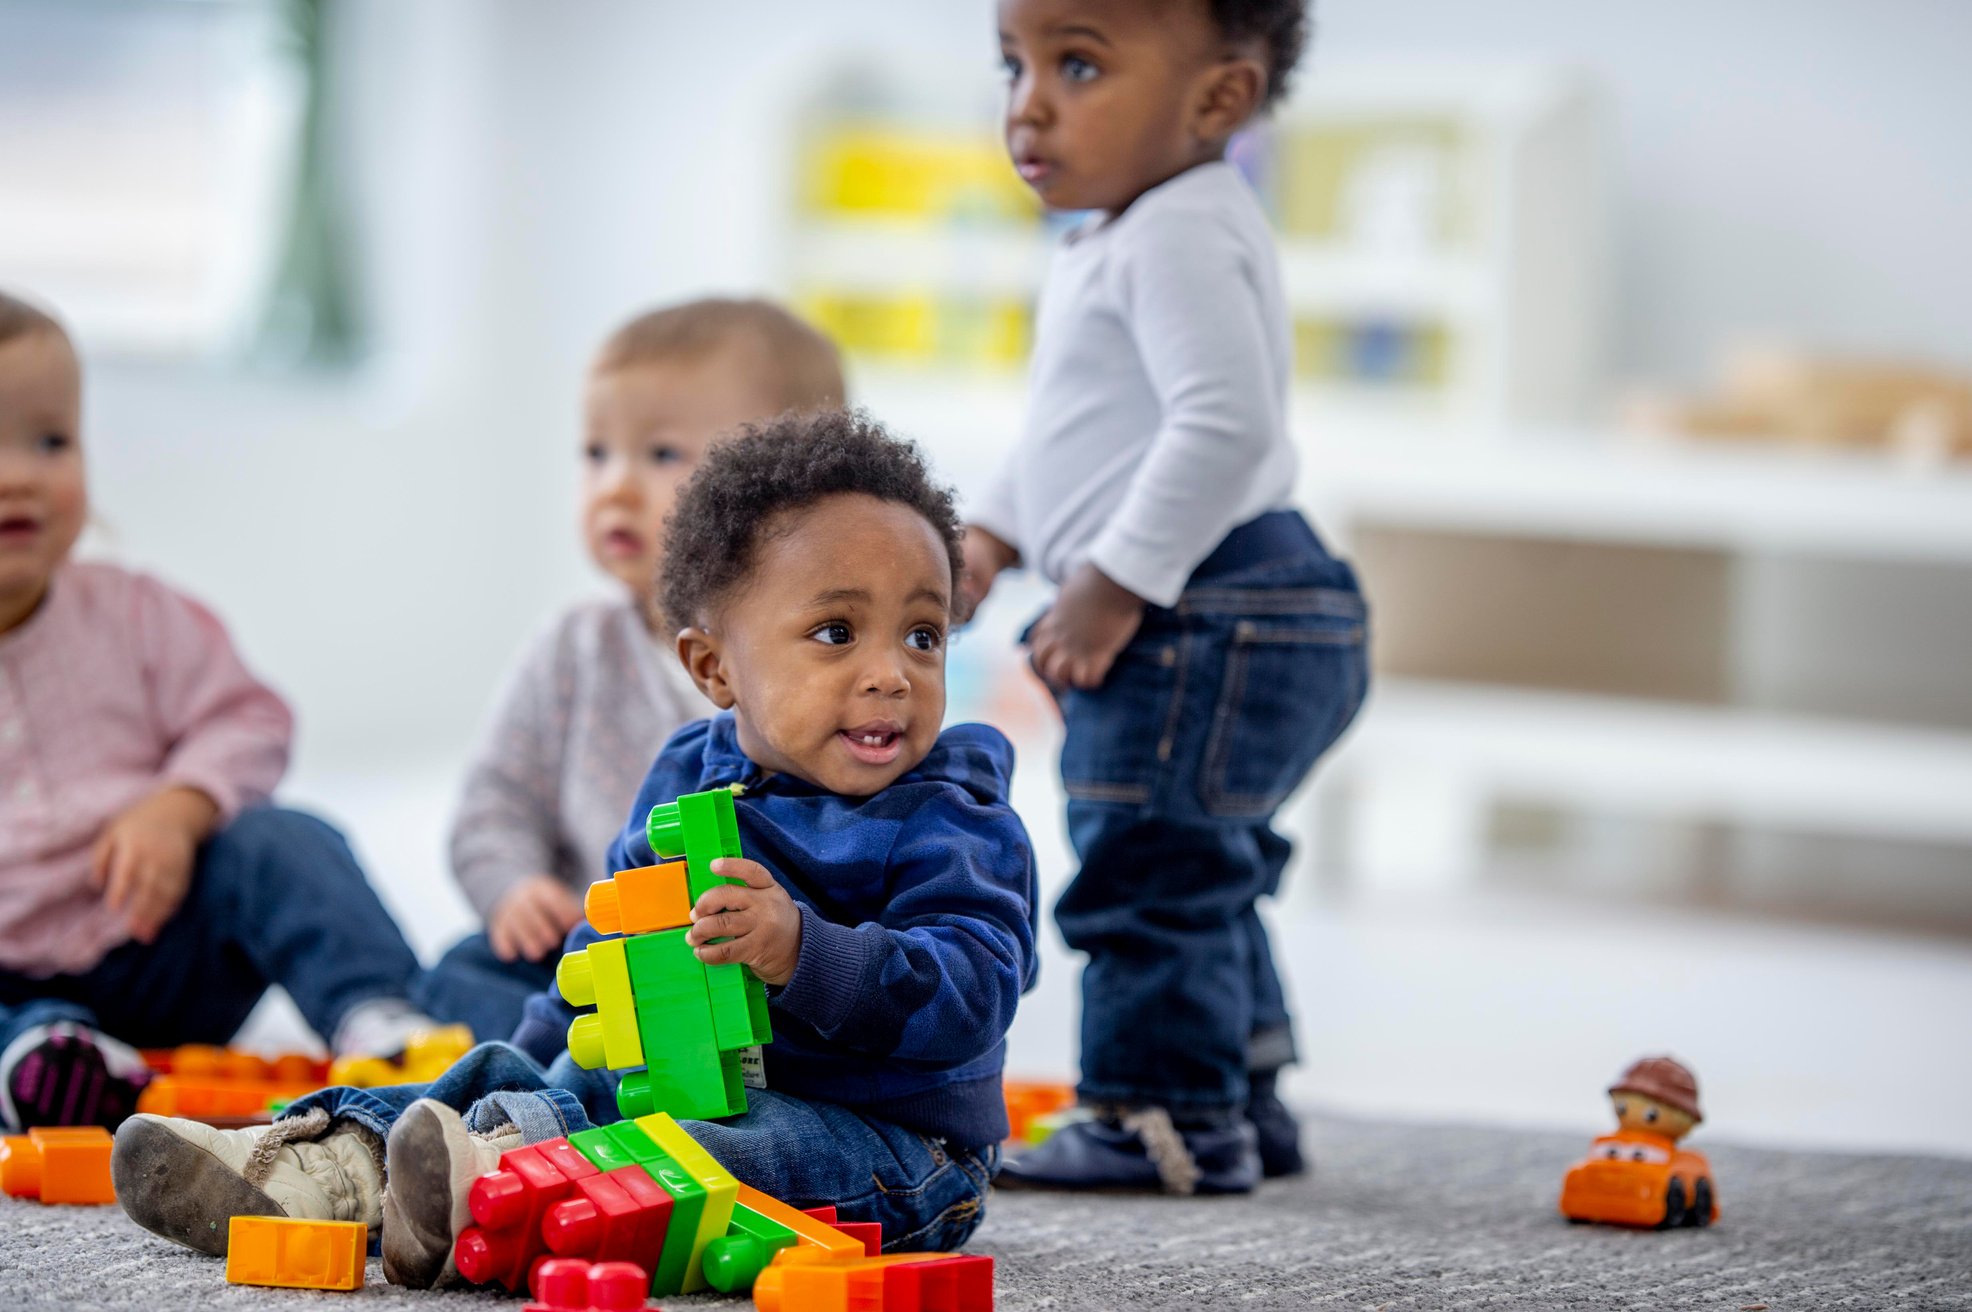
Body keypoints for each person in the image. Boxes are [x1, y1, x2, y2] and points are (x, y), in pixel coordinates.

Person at [112, 411, 1037, 1287]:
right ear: (715, 668)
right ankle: (330, 1160)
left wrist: (806, 950)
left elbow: (975, 992)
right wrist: (538, 1061)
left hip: (891, 1146)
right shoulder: (688, 777)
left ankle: (500, 1177)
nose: (891, 673)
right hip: (682, 1089)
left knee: (716, 1155)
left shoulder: (955, 816)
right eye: (836, 633)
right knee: (521, 1075)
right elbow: (606, 958)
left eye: (924, 635)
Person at [965, 0, 1369, 1193]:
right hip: (1249, 603)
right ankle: (1242, 1089)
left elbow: (1223, 423)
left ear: (1218, 100)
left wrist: (1111, 583)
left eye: (1077, 64)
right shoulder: (1125, 232)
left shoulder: (1173, 232)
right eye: (1014, 63)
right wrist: (993, 532)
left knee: (1146, 862)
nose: (1028, 102)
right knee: (1201, 857)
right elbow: (1073, 434)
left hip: (1209, 609)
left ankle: (1164, 1115)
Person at [0, 290, 438, 1131]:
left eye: (52, 440)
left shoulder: (133, 614)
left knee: (282, 840)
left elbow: (249, 720)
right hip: (14, 989)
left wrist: (181, 805)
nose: (24, 473)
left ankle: (380, 1016)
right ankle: (43, 1063)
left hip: (158, 947)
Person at [415, 298, 846, 1041]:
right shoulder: (574, 648)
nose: (615, 486)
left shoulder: (817, 658)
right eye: (596, 453)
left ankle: (591, 1066)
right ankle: (585, 1056)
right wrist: (516, 888)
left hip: (751, 964)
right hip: (598, 960)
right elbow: (495, 803)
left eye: (662, 455)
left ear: (789, 492)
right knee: (460, 972)